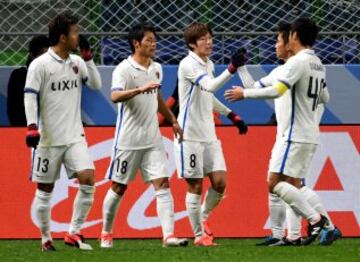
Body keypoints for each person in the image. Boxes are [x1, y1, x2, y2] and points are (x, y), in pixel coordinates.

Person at [225, 18, 331, 246]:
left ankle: (317, 220)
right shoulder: (318, 64)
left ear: (294, 36)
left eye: (284, 37)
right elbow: (325, 98)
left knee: (275, 184)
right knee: (293, 185)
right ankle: (302, 231)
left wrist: (244, 94)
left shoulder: (296, 64)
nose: (277, 43)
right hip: (308, 134)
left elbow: (277, 90)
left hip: (293, 135)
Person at [100, 23, 188, 248]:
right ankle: (106, 233)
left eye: (154, 40)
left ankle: (168, 236)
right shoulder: (124, 69)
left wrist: (173, 120)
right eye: (148, 40)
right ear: (136, 43)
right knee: (118, 187)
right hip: (128, 141)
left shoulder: (156, 68)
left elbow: (157, 97)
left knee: (162, 184)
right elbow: (115, 96)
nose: (153, 44)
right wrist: (139, 89)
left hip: (152, 140)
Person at [24, 12, 102, 251]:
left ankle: (73, 233)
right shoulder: (40, 65)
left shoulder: (77, 62)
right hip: (48, 139)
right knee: (45, 189)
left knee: (88, 179)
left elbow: (96, 85)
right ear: (62, 37)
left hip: (74, 136)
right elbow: (30, 96)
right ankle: (46, 238)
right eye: (75, 32)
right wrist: (31, 127)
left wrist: (89, 59)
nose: (79, 36)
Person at [174, 22, 248, 247]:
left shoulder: (210, 63)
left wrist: (231, 115)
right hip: (190, 136)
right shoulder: (188, 64)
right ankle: (199, 235)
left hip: (208, 134)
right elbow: (211, 86)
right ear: (191, 44)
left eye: (209, 37)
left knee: (220, 183)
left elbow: (207, 96)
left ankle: (202, 218)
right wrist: (232, 69)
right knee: (195, 185)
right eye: (203, 39)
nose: (209, 42)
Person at [158, 79, 248, 129]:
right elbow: (157, 122)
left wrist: (234, 117)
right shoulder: (173, 107)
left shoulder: (207, 106)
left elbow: (220, 128)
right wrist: (175, 95)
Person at [7, 35, 49, 126]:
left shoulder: (55, 75)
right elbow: (14, 112)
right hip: (25, 129)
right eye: (42, 55)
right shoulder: (19, 76)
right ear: (32, 55)